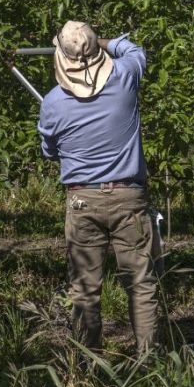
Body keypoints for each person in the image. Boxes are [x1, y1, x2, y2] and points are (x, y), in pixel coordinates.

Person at [37, 21, 158, 355]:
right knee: (141, 285)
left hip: (82, 200)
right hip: (129, 197)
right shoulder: (125, 77)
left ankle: (88, 367)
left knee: (85, 289)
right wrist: (100, 41)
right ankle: (148, 361)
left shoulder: (52, 102)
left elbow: (49, 151)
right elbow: (133, 49)